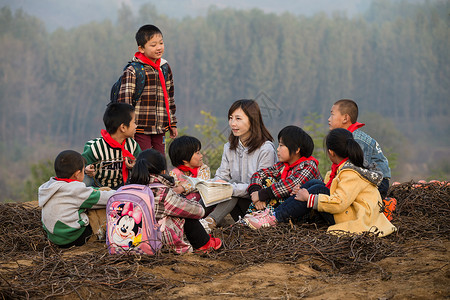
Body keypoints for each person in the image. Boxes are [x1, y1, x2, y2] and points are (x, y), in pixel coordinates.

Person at [244, 129, 397, 237]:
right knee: (316, 184)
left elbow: (339, 203)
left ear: (331, 152)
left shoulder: (350, 173)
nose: (278, 149)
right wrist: (303, 192)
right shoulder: (339, 169)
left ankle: (273, 218)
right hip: (349, 211)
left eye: (281, 145)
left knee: (316, 189)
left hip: (355, 217)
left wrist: (309, 198)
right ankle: (272, 215)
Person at [199, 99, 277, 232]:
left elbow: (263, 186)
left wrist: (230, 188)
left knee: (232, 187)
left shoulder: (266, 149)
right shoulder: (229, 147)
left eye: (238, 118)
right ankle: (192, 216)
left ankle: (210, 222)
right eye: (230, 118)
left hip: (258, 207)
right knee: (220, 185)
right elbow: (222, 175)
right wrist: (214, 184)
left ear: (252, 120)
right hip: (236, 207)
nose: (233, 123)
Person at [127, 149, 222, 254]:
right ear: (163, 171)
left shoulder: (128, 189)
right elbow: (199, 211)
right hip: (154, 243)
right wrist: (183, 198)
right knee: (185, 211)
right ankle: (205, 244)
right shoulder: (162, 192)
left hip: (127, 240)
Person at [117, 24, 177, 154]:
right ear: (141, 48)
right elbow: (124, 103)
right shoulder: (134, 70)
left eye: (161, 43)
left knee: (160, 163)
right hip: (140, 128)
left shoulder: (164, 67)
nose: (159, 47)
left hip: (160, 127)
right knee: (143, 162)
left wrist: (172, 123)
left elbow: (169, 98)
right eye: (153, 45)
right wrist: (127, 128)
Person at [38, 150, 116, 248]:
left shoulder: (50, 187)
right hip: (74, 238)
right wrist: (121, 192)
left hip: (55, 238)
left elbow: (86, 192)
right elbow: (107, 197)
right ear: (77, 174)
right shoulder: (74, 190)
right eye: (83, 171)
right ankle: (103, 235)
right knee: (103, 203)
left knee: (94, 196)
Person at [246, 126, 322, 214]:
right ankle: (255, 216)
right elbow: (259, 174)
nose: (277, 149)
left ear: (297, 149)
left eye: (281, 145)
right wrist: (256, 193)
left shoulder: (309, 165)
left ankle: (258, 217)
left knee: (275, 188)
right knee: (268, 180)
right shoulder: (283, 165)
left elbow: (289, 185)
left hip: (305, 211)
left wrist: (260, 195)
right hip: (285, 207)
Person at [328, 99, 391, 198]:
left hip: (377, 183)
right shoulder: (348, 137)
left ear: (345, 118)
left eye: (332, 114)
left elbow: (360, 171)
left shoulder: (357, 140)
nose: (329, 119)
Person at [82, 102, 141, 189]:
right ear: (123, 127)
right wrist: (87, 169)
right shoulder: (96, 147)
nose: (136, 126)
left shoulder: (133, 146)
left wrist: (135, 166)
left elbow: (141, 164)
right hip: (98, 188)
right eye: (134, 122)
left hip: (122, 187)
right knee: (85, 179)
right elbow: (81, 165)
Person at [168, 135, 211, 202]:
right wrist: (191, 185)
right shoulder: (174, 173)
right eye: (197, 153)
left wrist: (182, 188)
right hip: (182, 206)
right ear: (185, 159)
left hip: (202, 204)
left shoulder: (203, 169)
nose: (201, 155)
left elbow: (201, 183)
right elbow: (173, 187)